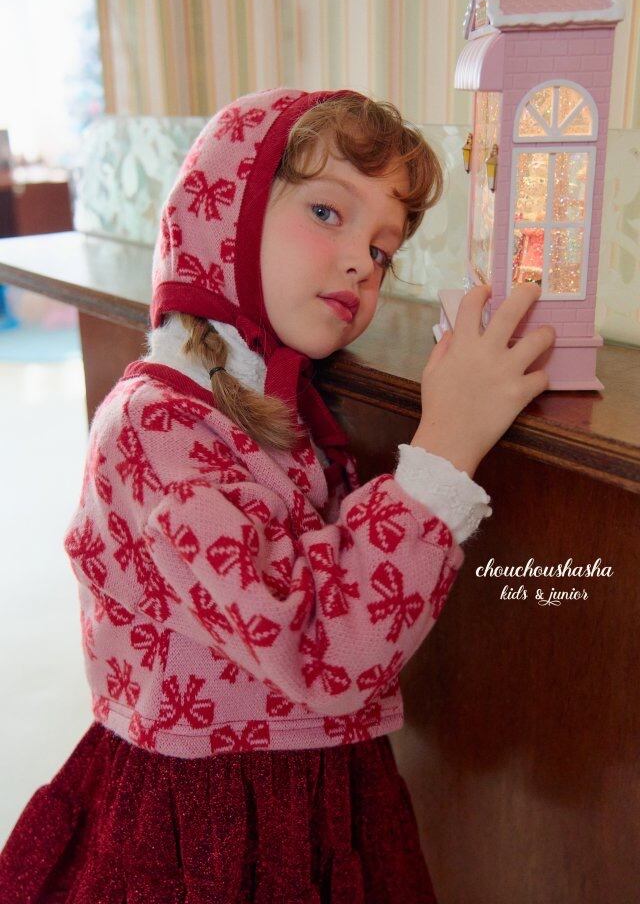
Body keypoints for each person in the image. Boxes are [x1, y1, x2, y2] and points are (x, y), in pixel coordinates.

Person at [0, 87, 554, 903]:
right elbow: (321, 644)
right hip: (208, 828)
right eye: (328, 213)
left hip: (328, 795)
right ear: (224, 218)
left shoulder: (275, 411)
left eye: (384, 248)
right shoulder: (156, 430)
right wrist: (445, 449)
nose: (363, 261)